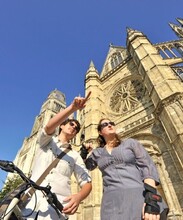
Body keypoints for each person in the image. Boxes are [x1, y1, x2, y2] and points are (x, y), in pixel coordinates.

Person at [81, 118, 169, 220]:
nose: (109, 125)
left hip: (139, 196)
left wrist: (151, 200)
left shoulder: (130, 143)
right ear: (100, 132)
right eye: (105, 124)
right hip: (112, 203)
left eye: (111, 123)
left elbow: (147, 167)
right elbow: (87, 166)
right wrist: (84, 152)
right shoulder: (98, 153)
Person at [22, 93, 92, 220]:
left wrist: (79, 196)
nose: (74, 128)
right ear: (61, 125)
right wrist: (73, 108)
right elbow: (48, 127)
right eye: (71, 124)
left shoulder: (75, 155)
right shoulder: (46, 142)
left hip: (56, 208)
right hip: (30, 204)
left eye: (76, 128)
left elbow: (87, 182)